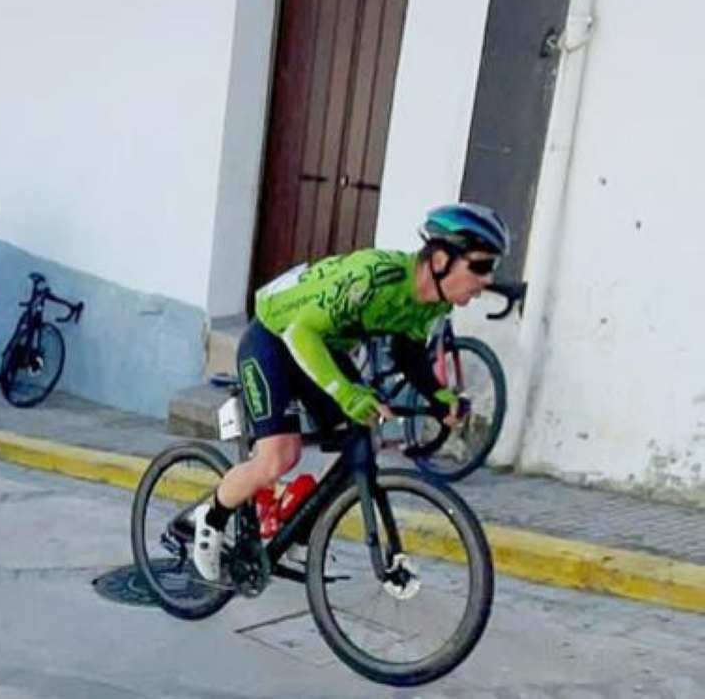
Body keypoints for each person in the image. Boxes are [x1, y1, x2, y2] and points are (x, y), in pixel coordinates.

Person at [189, 203, 510, 583]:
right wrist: (347, 393)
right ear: (440, 260)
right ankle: (209, 521)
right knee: (279, 457)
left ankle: (292, 523)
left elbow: (409, 355)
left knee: (359, 440)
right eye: (480, 266)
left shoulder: (431, 304)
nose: (487, 280)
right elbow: (300, 333)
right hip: (276, 337)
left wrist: (440, 398)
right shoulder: (374, 277)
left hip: (323, 347)